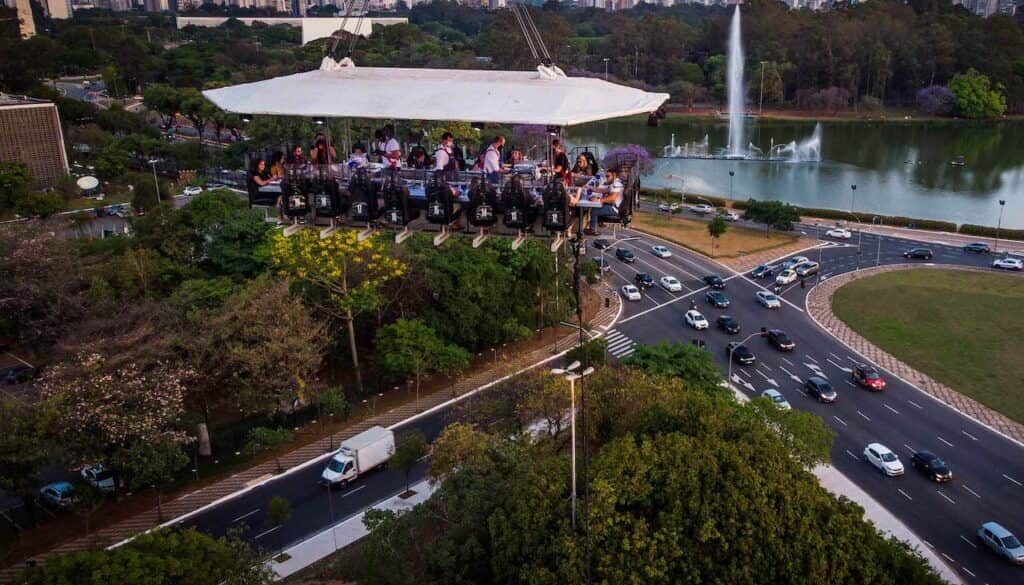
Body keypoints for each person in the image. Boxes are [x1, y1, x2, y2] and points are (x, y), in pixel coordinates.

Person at [585, 168, 623, 235]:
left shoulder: (616, 184)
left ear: (614, 175)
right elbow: (602, 190)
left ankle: (592, 230)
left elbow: (613, 197)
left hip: (615, 209)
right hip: (612, 206)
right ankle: (594, 225)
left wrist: (599, 200)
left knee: (595, 210)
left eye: (608, 176)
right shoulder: (613, 183)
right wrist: (589, 188)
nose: (606, 178)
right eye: (606, 176)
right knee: (596, 207)